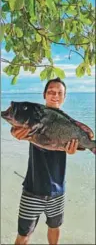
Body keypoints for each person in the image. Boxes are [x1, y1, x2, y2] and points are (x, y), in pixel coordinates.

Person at [11, 78, 93, 245]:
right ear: (44, 95)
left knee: (54, 228)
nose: (55, 95)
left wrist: (73, 150)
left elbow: (74, 145)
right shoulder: (36, 114)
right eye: (51, 92)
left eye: (59, 93)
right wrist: (15, 132)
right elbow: (18, 129)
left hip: (58, 190)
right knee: (23, 235)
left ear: (64, 97)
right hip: (32, 189)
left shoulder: (68, 122)